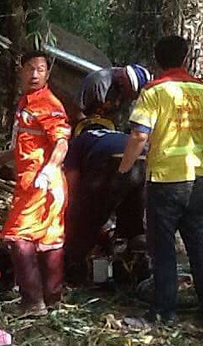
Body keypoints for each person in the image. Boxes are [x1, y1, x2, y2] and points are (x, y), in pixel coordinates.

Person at [118, 35, 203, 324]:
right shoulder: (201, 89)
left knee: (163, 247)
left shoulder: (154, 91)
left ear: (157, 60)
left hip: (166, 180)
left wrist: (125, 169)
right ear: (185, 58)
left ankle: (164, 311)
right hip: (199, 177)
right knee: (198, 244)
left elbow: (139, 135)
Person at [0, 51, 71, 315]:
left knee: (17, 237)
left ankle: (32, 302)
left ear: (48, 74)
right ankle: (53, 299)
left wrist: (49, 169)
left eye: (40, 69)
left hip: (41, 185)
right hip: (40, 184)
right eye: (30, 68)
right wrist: (5, 157)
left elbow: (61, 142)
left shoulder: (47, 104)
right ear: (21, 70)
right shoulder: (26, 102)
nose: (35, 74)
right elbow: (30, 143)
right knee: (49, 240)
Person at [63, 114, 147, 283]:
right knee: (133, 223)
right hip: (141, 159)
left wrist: (73, 211)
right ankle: (137, 271)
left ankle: (76, 273)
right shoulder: (118, 135)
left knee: (85, 222)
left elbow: (72, 182)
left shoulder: (79, 142)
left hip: (107, 162)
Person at [75, 64, 152, 131]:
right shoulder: (98, 82)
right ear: (123, 82)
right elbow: (76, 111)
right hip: (86, 127)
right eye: (129, 94)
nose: (130, 98)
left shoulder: (127, 92)